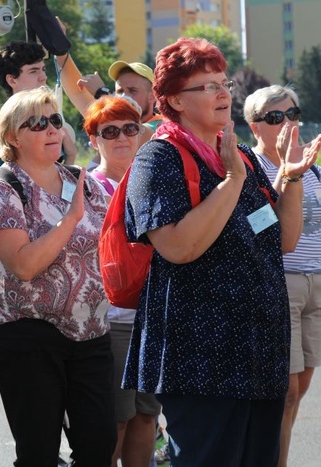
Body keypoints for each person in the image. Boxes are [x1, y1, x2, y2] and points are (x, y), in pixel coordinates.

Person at [122, 37, 321, 466]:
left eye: (223, 82)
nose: (223, 93)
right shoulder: (158, 159)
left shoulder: (242, 156)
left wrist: (292, 178)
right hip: (201, 359)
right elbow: (178, 247)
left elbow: (281, 239)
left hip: (258, 354)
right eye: (207, 86)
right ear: (174, 99)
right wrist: (230, 181)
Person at [0, 86, 115, 466]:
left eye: (54, 120)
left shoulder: (83, 181)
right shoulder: (0, 189)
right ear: (11, 137)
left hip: (91, 332)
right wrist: (70, 220)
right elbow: (23, 265)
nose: (51, 129)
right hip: (28, 334)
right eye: (36, 123)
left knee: (99, 445)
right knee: (38, 452)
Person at [244, 85, 321, 467]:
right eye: (276, 118)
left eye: (292, 114)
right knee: (285, 391)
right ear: (255, 127)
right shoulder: (252, 168)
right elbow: (258, 227)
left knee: (302, 386)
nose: (288, 123)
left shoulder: (314, 167)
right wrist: (285, 178)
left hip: (316, 286)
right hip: (280, 284)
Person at [83, 96, 161, 466]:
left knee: (147, 416)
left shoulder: (155, 179)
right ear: (93, 139)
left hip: (155, 317)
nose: (121, 138)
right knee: (116, 421)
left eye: (131, 128)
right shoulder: (85, 187)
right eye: (109, 131)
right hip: (109, 320)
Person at [0, 41, 77, 178]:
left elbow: (63, 186)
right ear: (12, 80)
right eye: (33, 71)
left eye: (43, 69)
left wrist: (71, 157)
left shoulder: (55, 126)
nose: (43, 77)